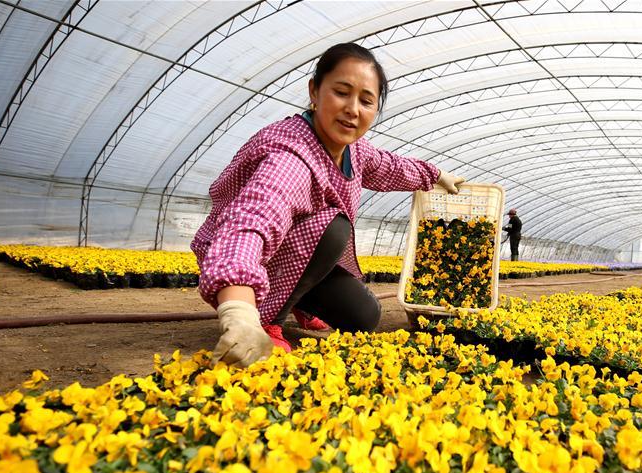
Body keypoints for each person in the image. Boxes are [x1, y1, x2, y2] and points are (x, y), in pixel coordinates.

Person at [191, 43, 465, 367]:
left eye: (366, 101)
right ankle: (267, 317)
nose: (353, 109)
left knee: (364, 317)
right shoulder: (290, 155)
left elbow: (388, 165)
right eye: (341, 92)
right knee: (334, 228)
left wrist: (434, 175)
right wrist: (239, 310)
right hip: (255, 259)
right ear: (315, 92)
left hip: (301, 257)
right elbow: (253, 220)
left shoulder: (355, 150)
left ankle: (299, 301)